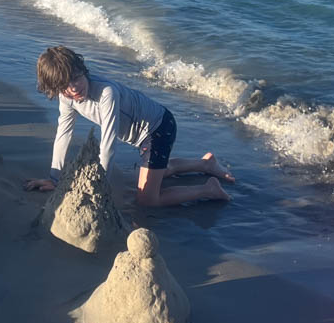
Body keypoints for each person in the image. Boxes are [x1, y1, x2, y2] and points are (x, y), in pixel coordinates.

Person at [24, 46, 234, 206]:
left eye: (76, 78)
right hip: (143, 137)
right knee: (156, 170)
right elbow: (63, 134)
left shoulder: (106, 93)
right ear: (56, 88)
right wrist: (54, 178)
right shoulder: (67, 98)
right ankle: (205, 164)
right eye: (64, 86)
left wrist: (100, 186)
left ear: (82, 70)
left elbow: (108, 144)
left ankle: (208, 189)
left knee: (147, 199)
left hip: (158, 129)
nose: (74, 88)